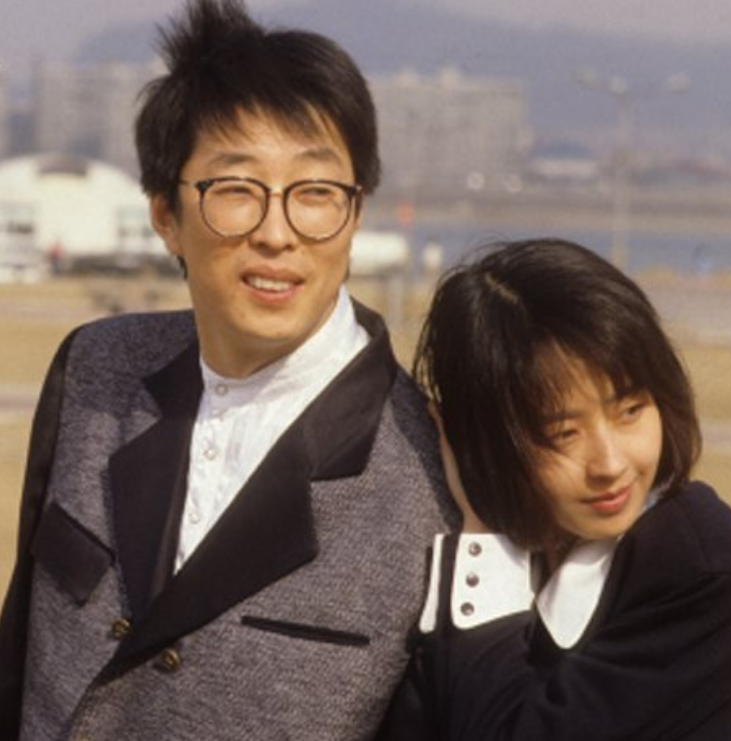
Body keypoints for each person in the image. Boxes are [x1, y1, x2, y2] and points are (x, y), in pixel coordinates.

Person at [0, 1, 455, 739]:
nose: (277, 234)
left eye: (315, 194)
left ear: (356, 212)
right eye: (236, 191)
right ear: (165, 215)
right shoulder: (95, 368)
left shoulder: (433, 472)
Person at [379, 238, 731, 740]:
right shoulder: (438, 552)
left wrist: (485, 545)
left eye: (630, 411)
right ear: (481, 440)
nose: (610, 464)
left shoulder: (708, 575)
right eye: (563, 434)